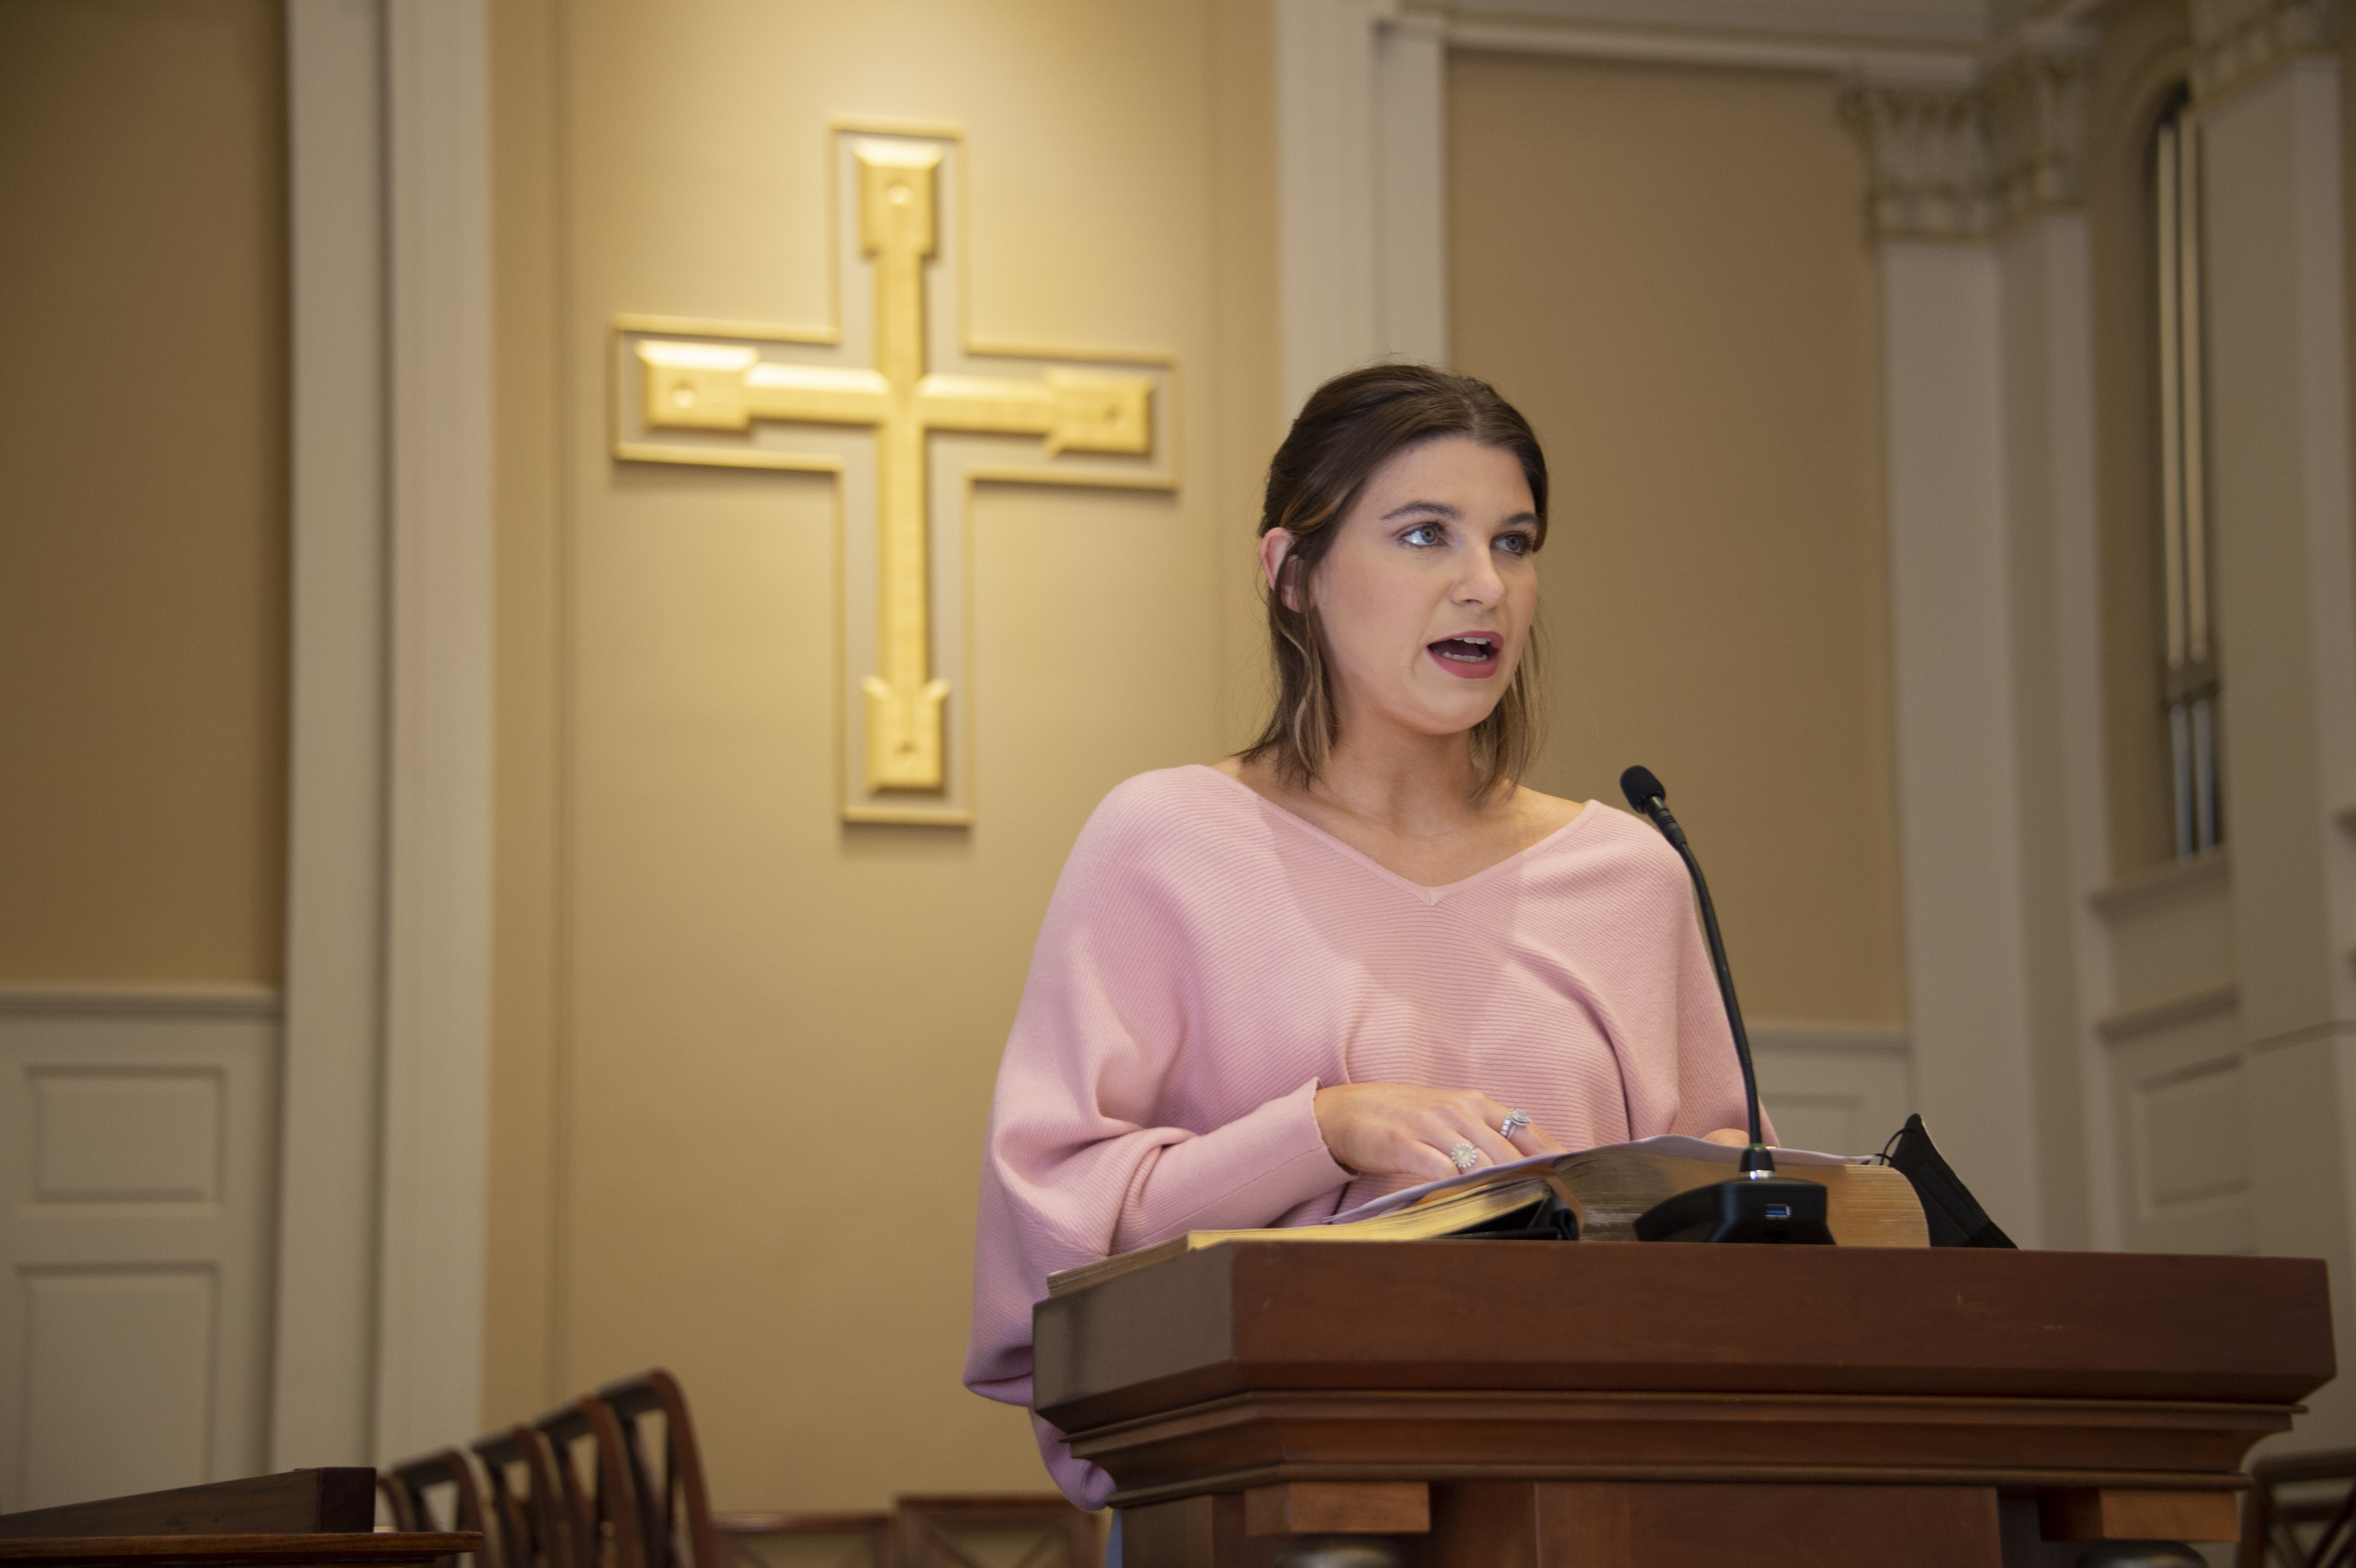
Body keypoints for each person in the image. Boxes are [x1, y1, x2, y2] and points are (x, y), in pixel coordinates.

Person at [962, 364, 1761, 1522]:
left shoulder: (1632, 873)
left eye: (1515, 540)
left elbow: (1735, 1207)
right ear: (1292, 573)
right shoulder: (1165, 841)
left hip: (1603, 1498)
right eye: (1425, 534)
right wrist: (1325, 1127)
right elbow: (1059, 1233)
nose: (1483, 584)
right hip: (1276, 1500)